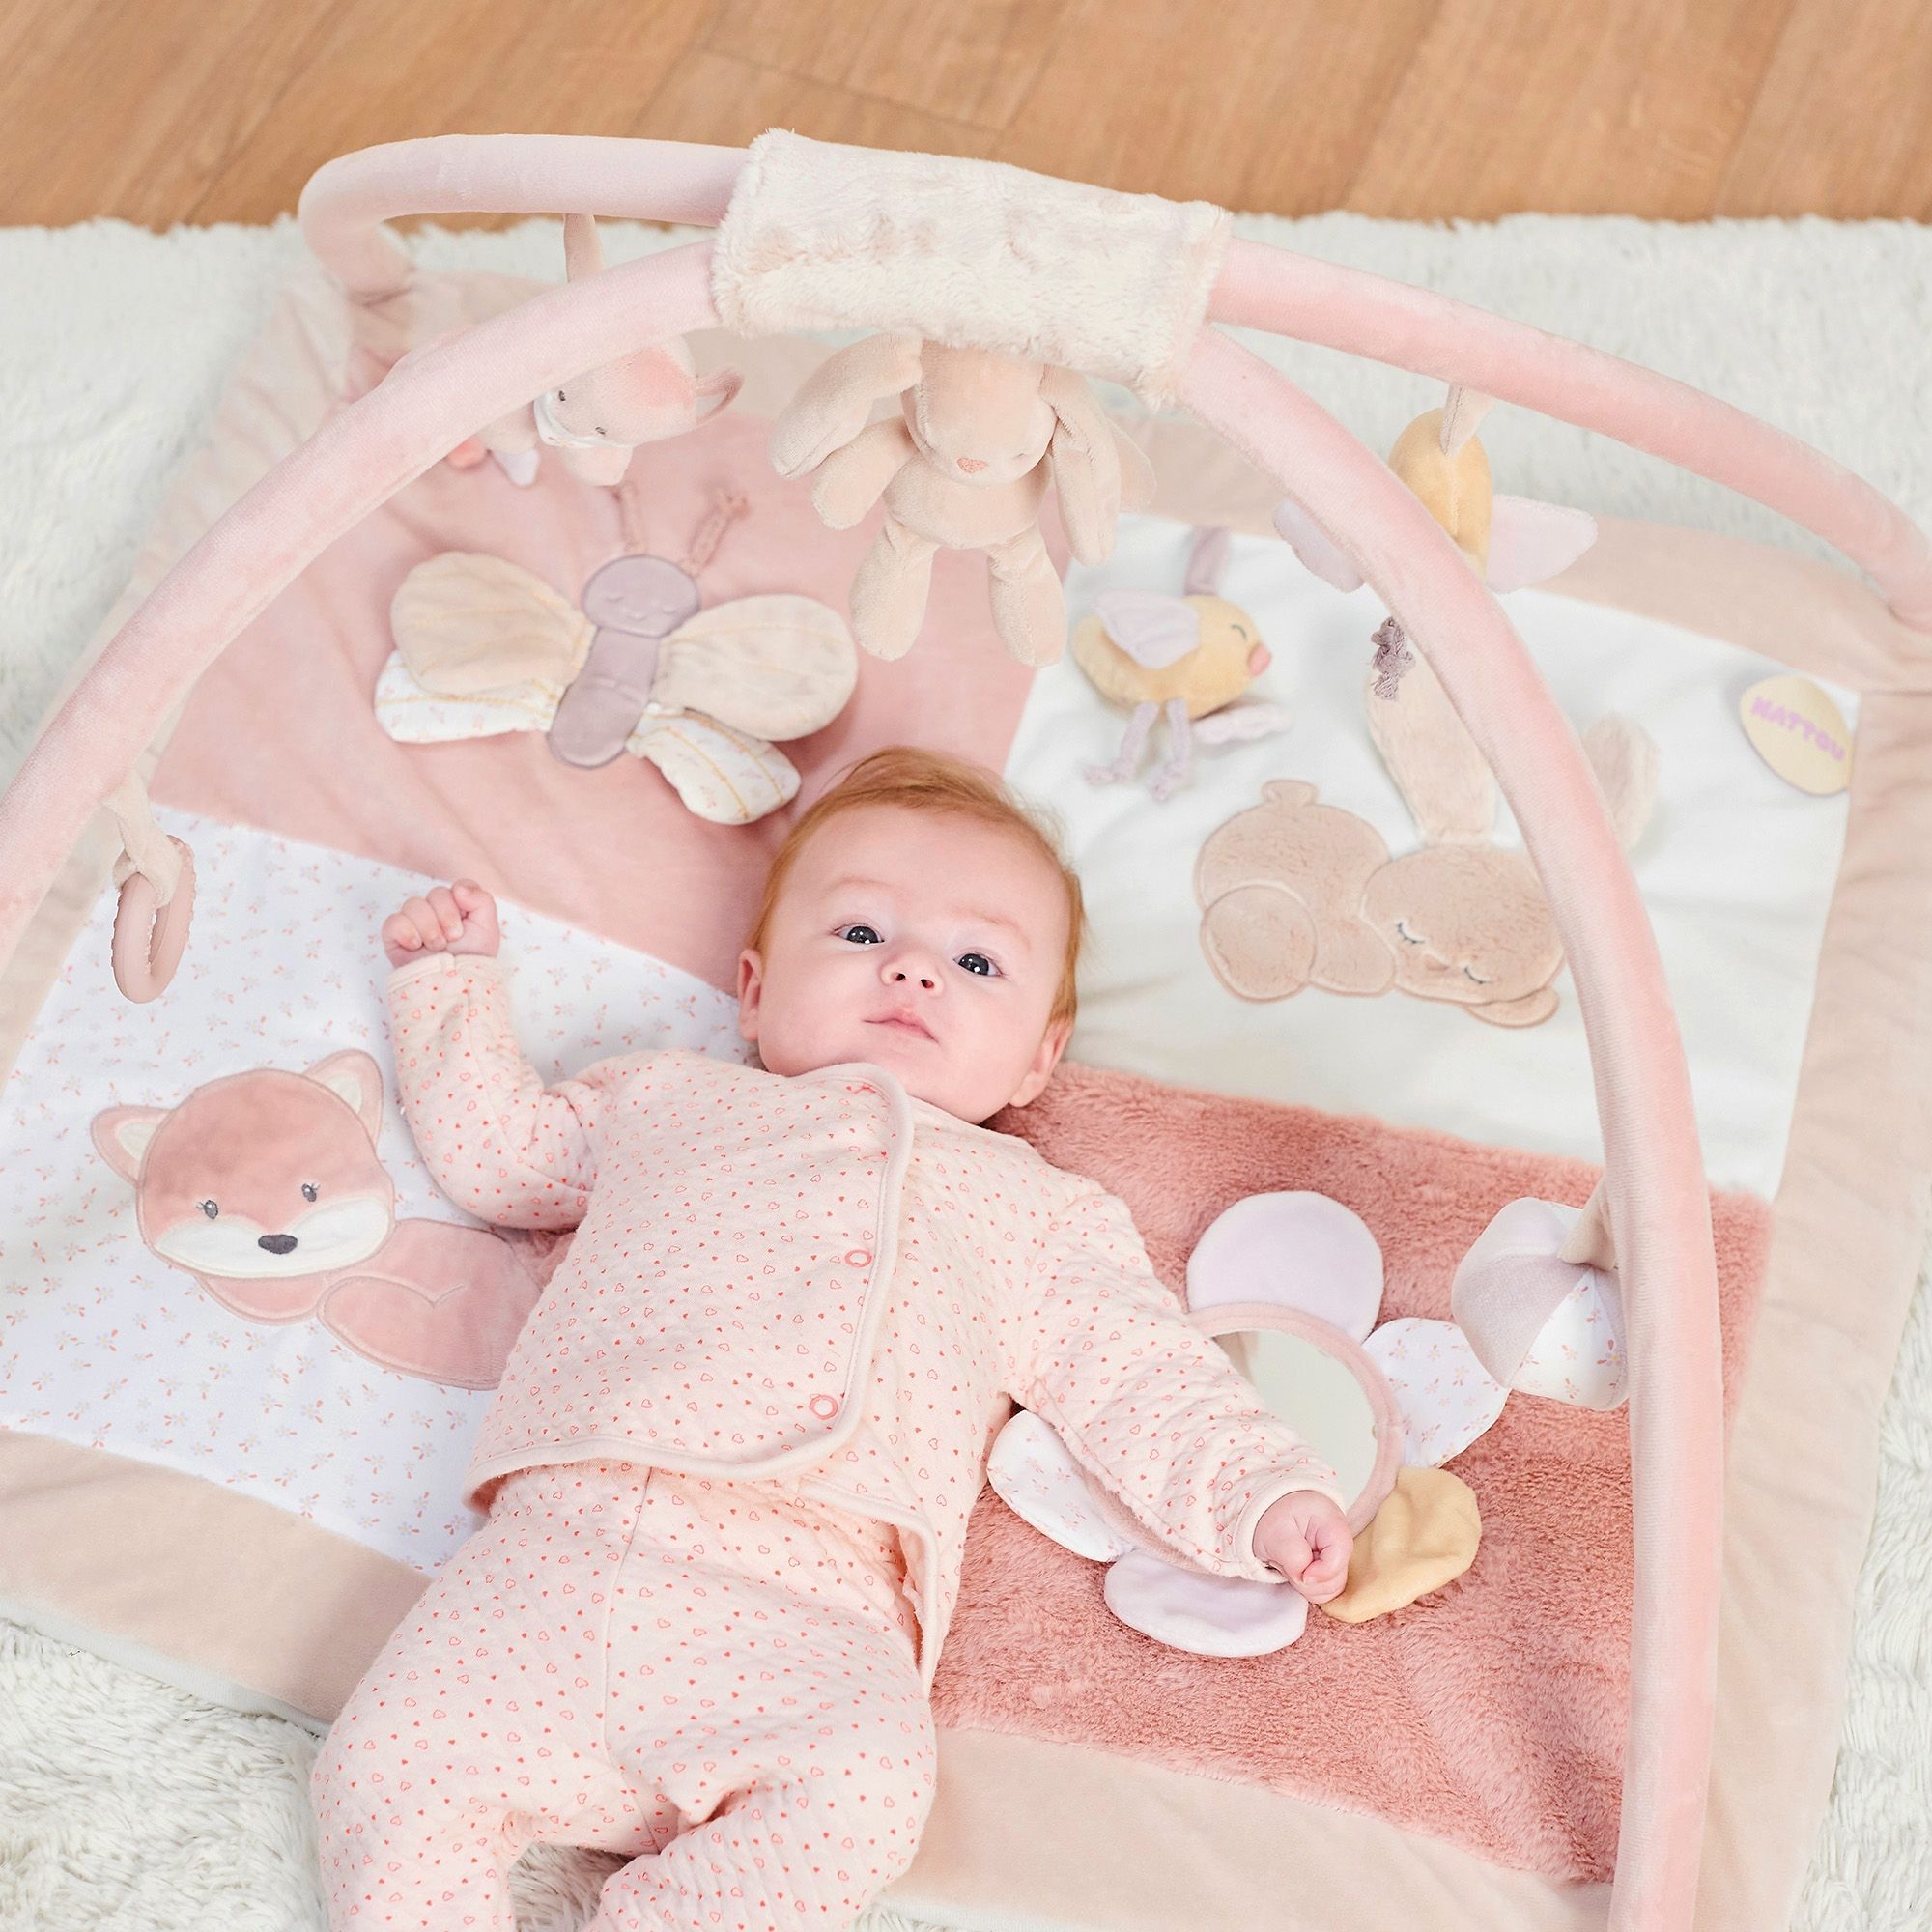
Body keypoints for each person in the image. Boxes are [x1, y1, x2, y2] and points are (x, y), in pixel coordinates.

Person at [312, 746, 1351, 1931]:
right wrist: (447, 986)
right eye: (859, 932)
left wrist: (1260, 1493)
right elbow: (501, 1156)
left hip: (823, 1601)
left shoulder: (1034, 1209)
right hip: (566, 1540)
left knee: (865, 1792)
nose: (911, 967)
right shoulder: (665, 1096)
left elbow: (1136, 1372)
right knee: (387, 1763)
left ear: (1038, 1056)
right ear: (752, 990)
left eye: (975, 960)